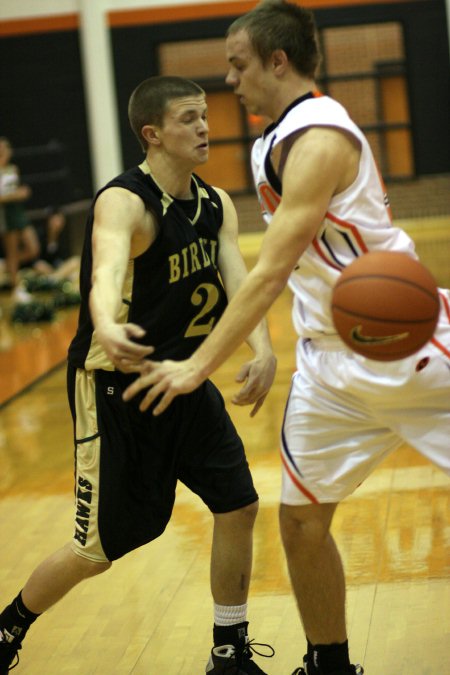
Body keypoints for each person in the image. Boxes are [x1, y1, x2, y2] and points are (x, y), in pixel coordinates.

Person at [120, 3, 450, 675]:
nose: (228, 80)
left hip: (409, 348)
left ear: (278, 61)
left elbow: (272, 266)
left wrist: (195, 366)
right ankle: (330, 665)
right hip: (331, 364)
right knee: (300, 520)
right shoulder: (274, 136)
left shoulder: (322, 135)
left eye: (238, 65)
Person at [0, 76, 277, 675]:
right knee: (96, 551)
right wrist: (105, 324)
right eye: (188, 118)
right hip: (114, 387)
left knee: (239, 505)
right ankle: (7, 631)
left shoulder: (215, 204)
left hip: (186, 379)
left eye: (205, 115)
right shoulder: (123, 201)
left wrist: (264, 347)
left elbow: (238, 281)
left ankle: (227, 652)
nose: (205, 126)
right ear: (153, 134)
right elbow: (102, 275)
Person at [0, 137, 33, 304]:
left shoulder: (13, 168)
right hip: (5, 214)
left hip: (18, 212)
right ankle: (16, 287)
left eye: (5, 149)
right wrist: (15, 195)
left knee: (33, 248)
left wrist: (21, 193)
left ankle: (5, 267)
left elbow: (21, 190)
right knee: (12, 251)